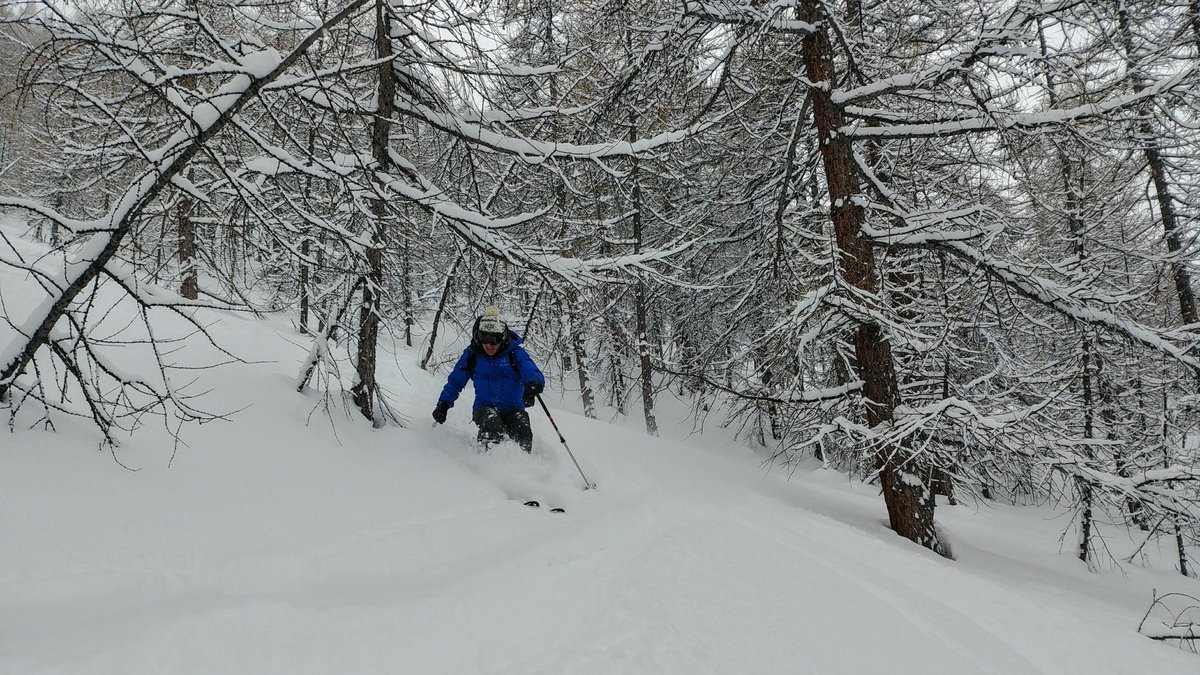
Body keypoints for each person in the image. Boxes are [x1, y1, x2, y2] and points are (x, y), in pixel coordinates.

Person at [432, 307, 545, 452]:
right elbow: (455, 381)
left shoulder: (515, 354)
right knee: (492, 424)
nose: (489, 345)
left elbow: (531, 371)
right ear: (478, 337)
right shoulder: (472, 355)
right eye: (485, 339)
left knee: (522, 429)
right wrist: (444, 404)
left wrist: (533, 384)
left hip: (513, 408)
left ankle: (522, 466)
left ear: (502, 337)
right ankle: (486, 463)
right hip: (484, 407)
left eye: (494, 339)